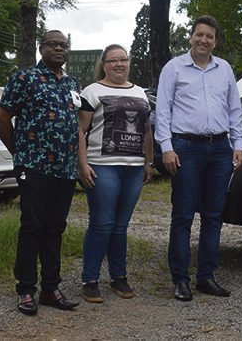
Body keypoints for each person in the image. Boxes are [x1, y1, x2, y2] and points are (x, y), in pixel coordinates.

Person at [155, 15, 242, 302]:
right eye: (200, 35)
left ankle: (206, 276)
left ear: (215, 41)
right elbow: (162, 112)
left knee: (213, 217)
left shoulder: (224, 69)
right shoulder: (174, 68)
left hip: (219, 149)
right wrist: (167, 147)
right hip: (186, 149)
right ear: (191, 37)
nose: (204, 40)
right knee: (182, 216)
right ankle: (180, 279)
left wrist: (238, 143)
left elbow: (234, 109)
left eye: (210, 36)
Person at [0, 30, 82, 316]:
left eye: (64, 45)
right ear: (41, 48)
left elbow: (77, 122)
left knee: (55, 228)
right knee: (32, 226)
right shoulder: (25, 78)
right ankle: (25, 290)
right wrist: (19, 152)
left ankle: (50, 288)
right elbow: (2, 118)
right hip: (33, 166)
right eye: (53, 44)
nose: (59, 48)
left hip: (65, 169)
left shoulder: (72, 83)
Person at [76, 44, 153, 303]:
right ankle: (90, 279)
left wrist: (148, 162)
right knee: (102, 224)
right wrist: (83, 164)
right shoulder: (92, 91)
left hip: (133, 168)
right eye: (113, 61)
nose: (119, 64)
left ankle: (119, 277)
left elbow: (146, 131)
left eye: (123, 60)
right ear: (104, 64)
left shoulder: (140, 93)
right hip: (102, 166)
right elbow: (80, 131)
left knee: (120, 227)